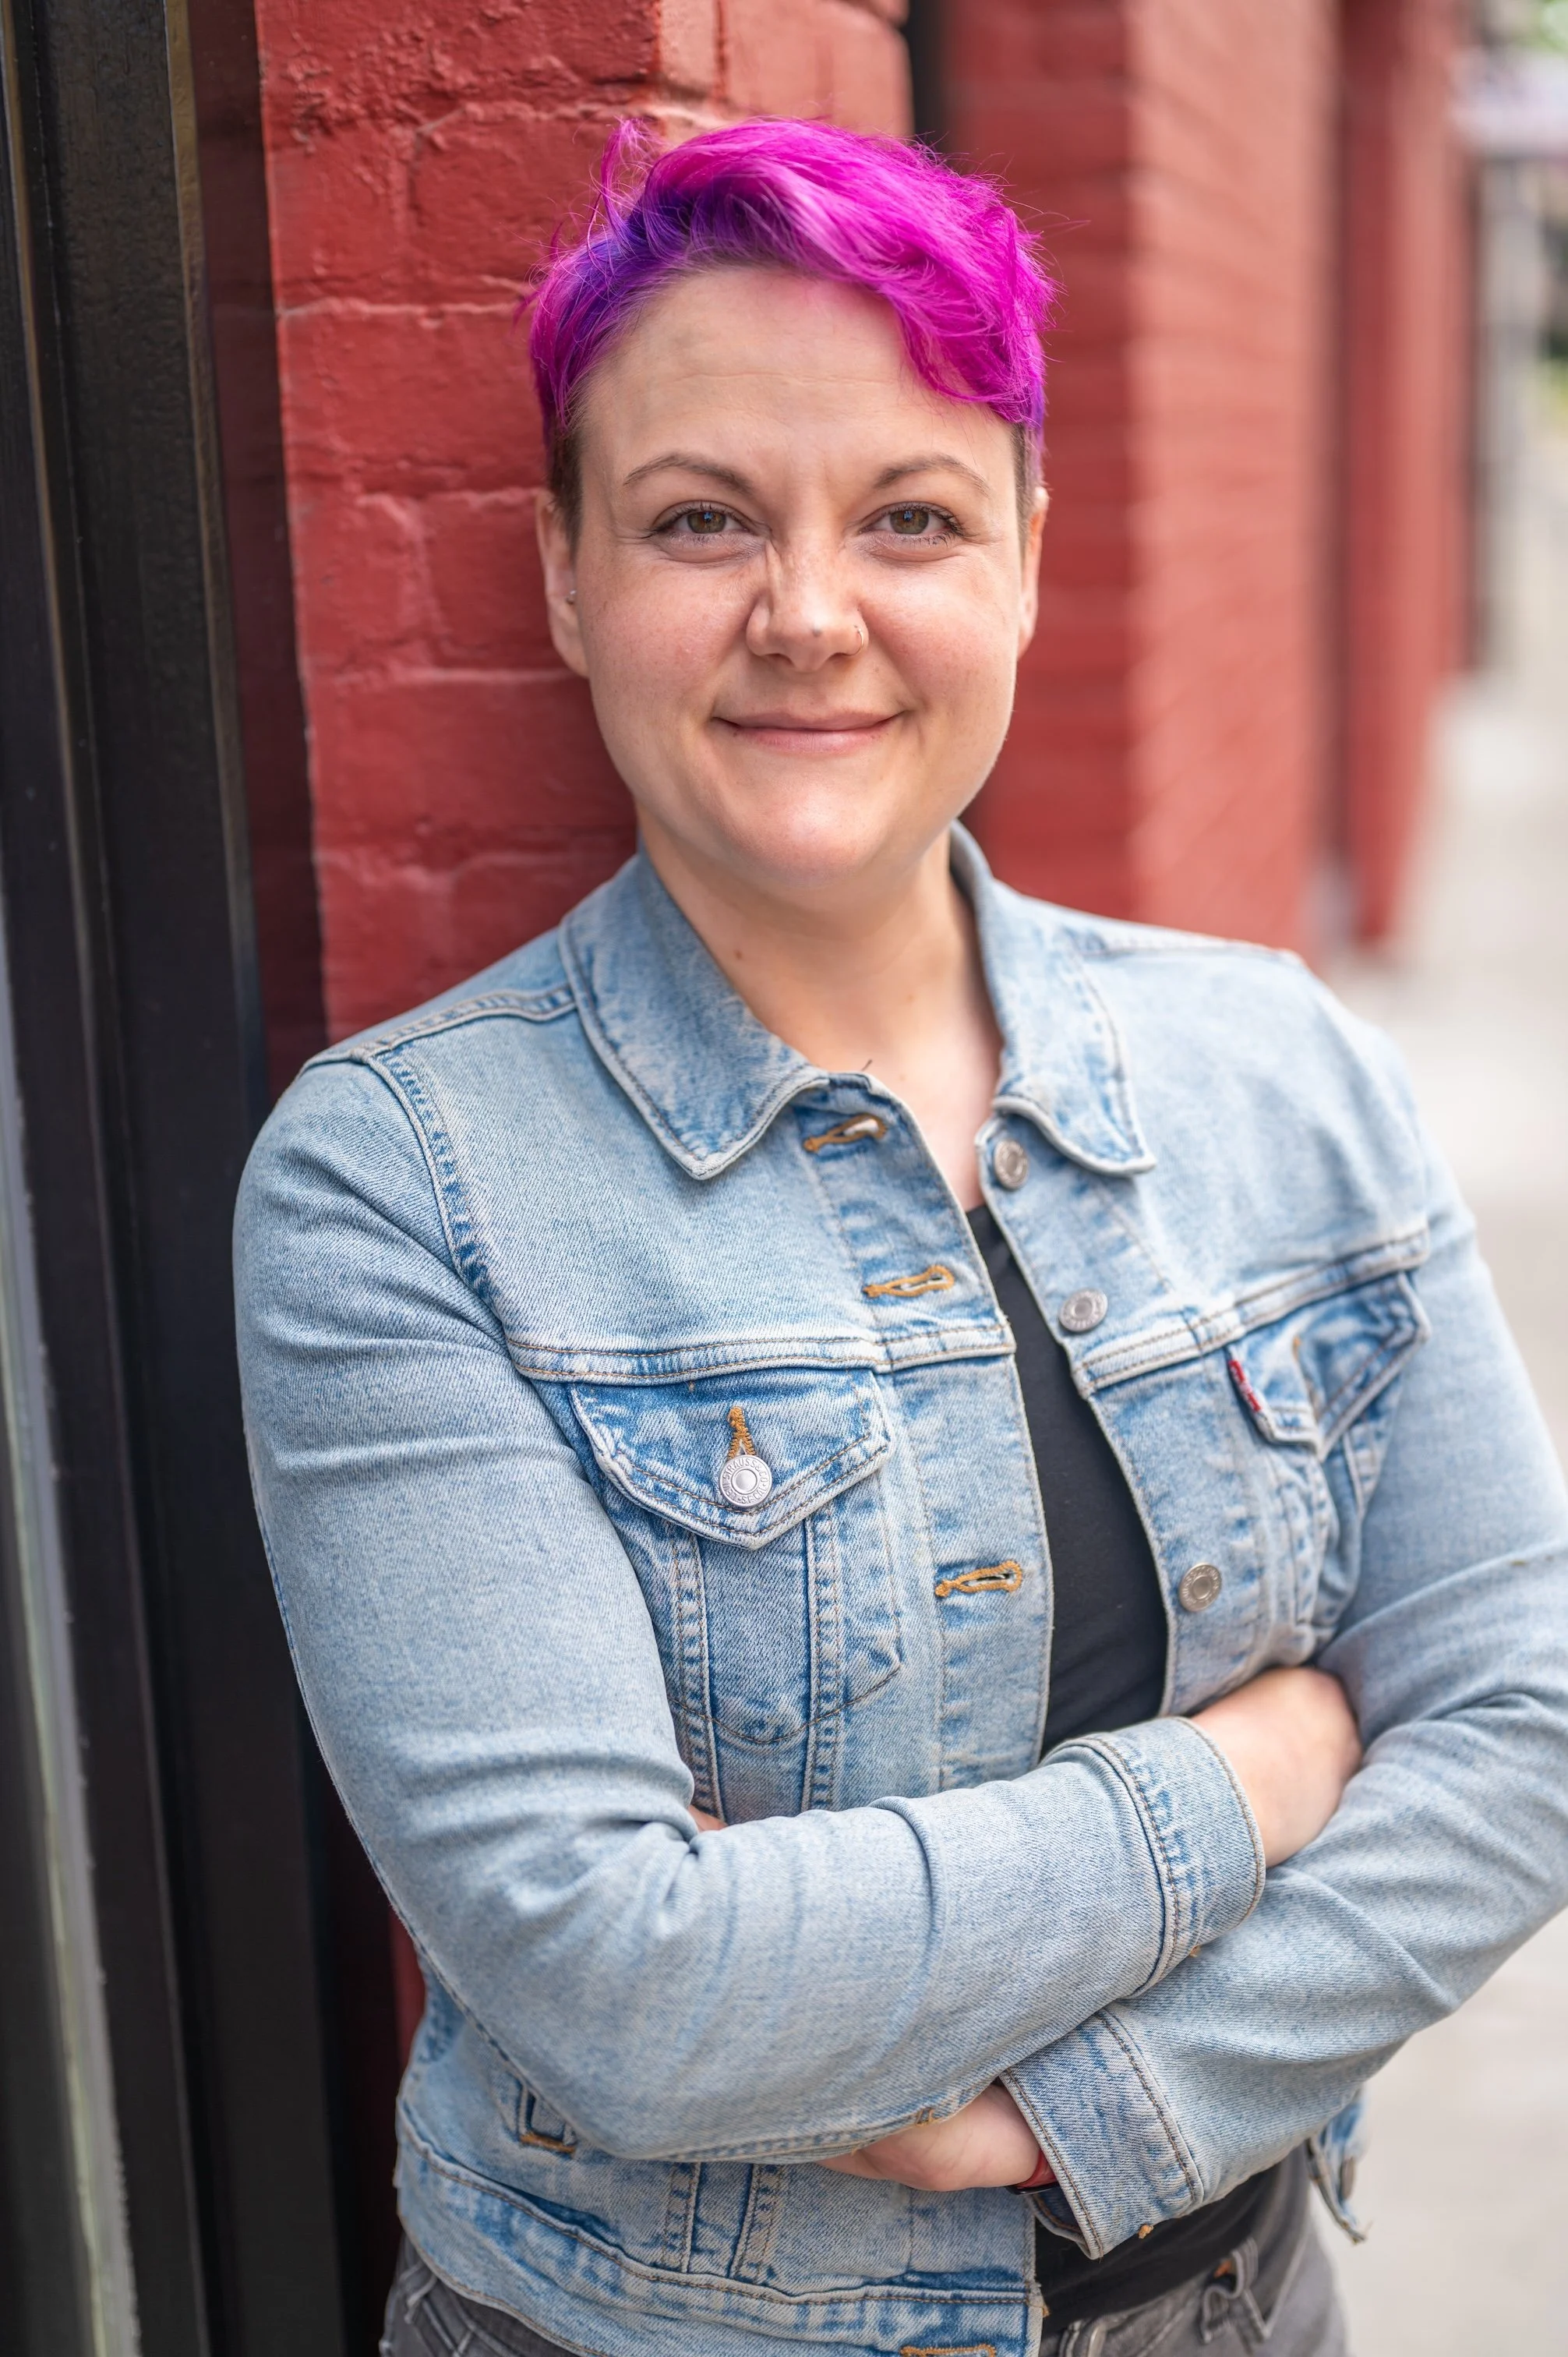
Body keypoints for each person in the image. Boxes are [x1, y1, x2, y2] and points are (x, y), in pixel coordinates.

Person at [234, 119, 1568, 2357]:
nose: (809, 613)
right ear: (565, 579)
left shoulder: (1274, 1067)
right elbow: (620, 1991)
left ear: (1030, 558)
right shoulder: (405, 1184)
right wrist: (1256, 1769)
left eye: (911, 518)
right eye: (696, 521)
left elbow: (1522, 1716)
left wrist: (1103, 2111)